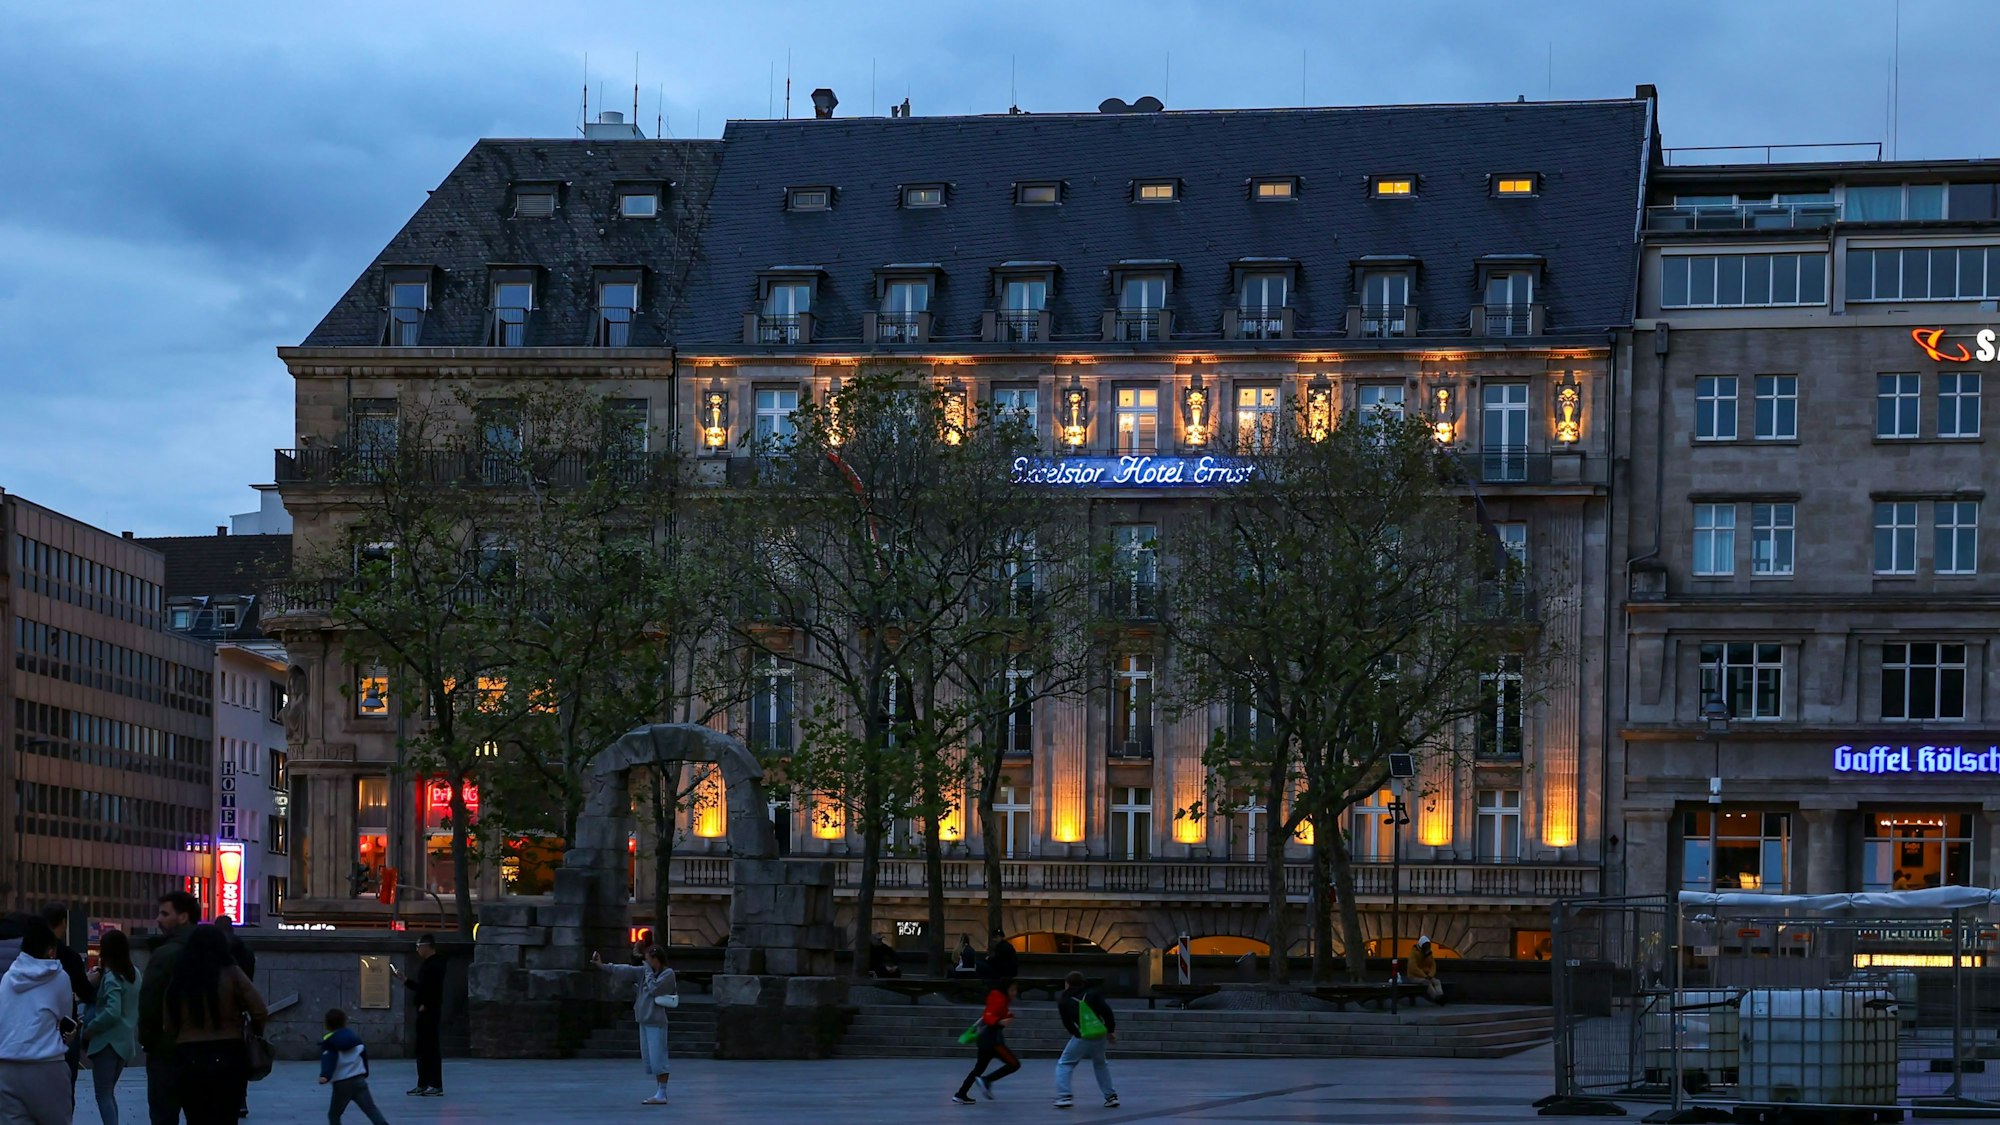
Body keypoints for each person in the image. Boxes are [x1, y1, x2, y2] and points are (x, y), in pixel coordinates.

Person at [165, 924, 268, 1125]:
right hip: (228, 1051)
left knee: (196, 1117)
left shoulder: (180, 976)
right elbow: (260, 1010)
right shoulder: (232, 973)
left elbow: (168, 1020)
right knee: (226, 1117)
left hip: (188, 1053)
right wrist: (254, 1031)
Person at [0, 917, 74, 1124]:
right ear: (51, 950)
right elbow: (65, 1017)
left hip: (6, 1066)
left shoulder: (8, 977)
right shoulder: (59, 977)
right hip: (46, 1065)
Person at [139, 891, 200, 1125]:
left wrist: (148, 1041)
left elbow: (149, 1002)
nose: (158, 919)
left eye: (165, 913)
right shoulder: (217, 949)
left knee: (164, 1114)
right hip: (208, 1050)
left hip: (168, 1049)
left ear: (183, 917)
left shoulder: (165, 954)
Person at [592, 946, 677, 1106]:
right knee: (650, 1059)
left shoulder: (667, 974)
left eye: (648, 959)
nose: (645, 962)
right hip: (644, 1019)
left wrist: (648, 972)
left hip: (656, 1020)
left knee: (659, 1058)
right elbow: (625, 970)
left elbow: (655, 989)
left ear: (655, 959)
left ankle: (662, 1093)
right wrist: (602, 966)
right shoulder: (644, 972)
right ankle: (659, 1092)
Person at [40, 903, 95, 1106]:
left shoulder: (30, 955)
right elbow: (85, 992)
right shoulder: (69, 957)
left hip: (37, 1028)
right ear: (63, 923)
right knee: (65, 1089)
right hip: (65, 1030)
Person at [83, 928, 140, 1125]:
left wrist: (91, 1028)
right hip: (125, 1043)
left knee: (103, 1094)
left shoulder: (112, 977)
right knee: (109, 1093)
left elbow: (112, 1011)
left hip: (106, 1043)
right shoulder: (135, 975)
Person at [388, 935, 445, 1097]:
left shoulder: (436, 964)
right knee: (422, 1048)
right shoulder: (428, 965)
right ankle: (423, 1083)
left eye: (419, 946)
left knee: (430, 1047)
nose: (418, 949)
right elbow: (422, 987)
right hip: (424, 1010)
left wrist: (425, 1004)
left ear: (427, 946)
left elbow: (433, 989)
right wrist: (405, 980)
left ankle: (435, 1084)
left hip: (429, 1011)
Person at [1052, 971, 1118, 1109]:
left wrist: (1076, 1033)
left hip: (1083, 1034)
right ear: (1082, 982)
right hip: (1099, 1033)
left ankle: (1064, 1096)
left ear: (1067, 983)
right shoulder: (1093, 993)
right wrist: (1109, 1030)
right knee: (1100, 1064)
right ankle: (1110, 1096)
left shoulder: (1064, 998)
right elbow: (1107, 1012)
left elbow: (1067, 1022)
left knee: (1065, 1063)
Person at [952, 979, 1021, 1106]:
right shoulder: (999, 999)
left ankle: (961, 1094)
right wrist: (999, 1022)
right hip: (993, 1041)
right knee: (1014, 1064)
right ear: (1005, 989)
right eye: (1013, 990)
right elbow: (989, 1016)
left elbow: (991, 1013)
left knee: (978, 1069)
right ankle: (987, 1080)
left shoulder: (999, 998)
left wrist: (1008, 1016)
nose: (1015, 993)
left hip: (985, 1040)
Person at [213, 915, 254, 1118]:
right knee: (238, 1059)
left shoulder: (213, 952)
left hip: (215, 1012)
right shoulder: (246, 951)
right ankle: (240, 1100)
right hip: (239, 1013)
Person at [318, 1008, 391, 1125]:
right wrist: (365, 1073)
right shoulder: (355, 1039)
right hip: (359, 1080)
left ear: (327, 1024)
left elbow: (329, 1059)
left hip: (342, 1084)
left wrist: (325, 1075)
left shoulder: (330, 1042)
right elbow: (364, 1058)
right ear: (344, 1022)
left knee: (334, 1114)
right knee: (371, 1109)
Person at [1407, 936, 1444, 1005]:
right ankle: (1436, 998)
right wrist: (1424, 976)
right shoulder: (1414, 954)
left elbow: (1433, 965)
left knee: (1437, 982)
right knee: (1427, 982)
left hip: (1426, 975)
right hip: (1414, 976)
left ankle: (1440, 996)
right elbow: (1413, 968)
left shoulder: (1429, 954)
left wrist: (1430, 975)